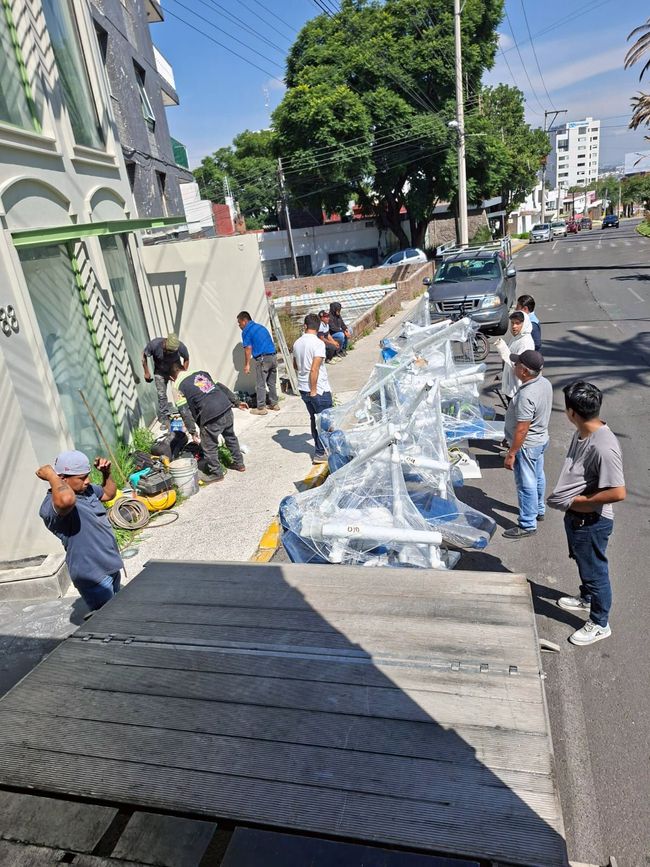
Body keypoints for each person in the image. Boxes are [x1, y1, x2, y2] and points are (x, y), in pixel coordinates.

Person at [547, 381, 626, 646]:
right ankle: (587, 598)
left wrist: (581, 501)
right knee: (585, 565)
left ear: (572, 412)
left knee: (596, 573)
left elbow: (618, 492)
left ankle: (600, 623)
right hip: (579, 518)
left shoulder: (603, 446)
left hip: (592, 521)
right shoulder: (583, 432)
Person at [37, 451, 122, 611]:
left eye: (87, 475)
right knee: (109, 619)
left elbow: (108, 493)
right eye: (82, 478)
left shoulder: (87, 491)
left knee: (120, 610)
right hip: (93, 577)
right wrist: (51, 475)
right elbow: (66, 500)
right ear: (63, 478)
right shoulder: (51, 506)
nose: (87, 481)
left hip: (111, 566)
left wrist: (106, 473)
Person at [502, 349, 553, 539]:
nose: (514, 366)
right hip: (540, 440)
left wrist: (512, 453)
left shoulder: (526, 395)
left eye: (516, 364)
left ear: (524, 371)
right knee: (538, 476)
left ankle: (527, 524)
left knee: (526, 484)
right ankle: (539, 509)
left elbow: (522, 429)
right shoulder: (544, 383)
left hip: (527, 445)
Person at [170, 363, 247, 484]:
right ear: (184, 368)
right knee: (231, 437)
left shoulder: (177, 386)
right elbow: (221, 387)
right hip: (226, 407)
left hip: (210, 415)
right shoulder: (201, 373)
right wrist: (236, 401)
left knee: (208, 446)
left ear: (171, 378)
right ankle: (239, 463)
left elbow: (184, 411)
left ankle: (216, 473)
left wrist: (192, 431)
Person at [293, 313, 333, 464]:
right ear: (318, 327)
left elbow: (295, 365)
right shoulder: (318, 344)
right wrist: (314, 390)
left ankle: (321, 450)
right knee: (325, 420)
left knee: (314, 418)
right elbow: (314, 369)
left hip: (303, 387)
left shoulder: (297, 343)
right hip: (318, 389)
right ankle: (322, 452)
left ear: (305, 326)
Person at [142, 333, 197, 436]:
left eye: (172, 351)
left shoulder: (180, 346)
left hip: (175, 371)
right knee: (161, 395)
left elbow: (186, 358)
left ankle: (187, 414)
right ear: (165, 341)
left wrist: (183, 373)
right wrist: (146, 372)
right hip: (160, 372)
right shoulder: (154, 344)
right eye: (168, 350)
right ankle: (165, 419)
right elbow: (144, 356)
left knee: (181, 393)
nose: (169, 353)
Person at [237, 311, 280, 416]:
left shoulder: (246, 331)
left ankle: (261, 408)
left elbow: (248, 348)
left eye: (239, 323)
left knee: (260, 384)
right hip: (273, 357)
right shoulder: (261, 327)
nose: (239, 325)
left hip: (263, 359)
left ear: (244, 321)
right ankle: (274, 404)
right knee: (271, 383)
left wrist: (247, 364)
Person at [493, 311, 535, 400]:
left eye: (517, 323)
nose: (514, 326)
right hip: (511, 388)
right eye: (512, 323)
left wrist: (503, 349)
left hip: (517, 389)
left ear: (524, 324)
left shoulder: (525, 343)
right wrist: (502, 374)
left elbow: (519, 366)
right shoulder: (516, 338)